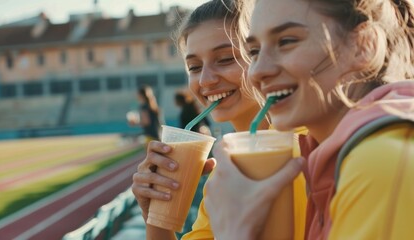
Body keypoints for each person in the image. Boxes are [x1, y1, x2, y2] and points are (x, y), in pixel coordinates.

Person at [204, 0, 414, 239]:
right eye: (254, 52)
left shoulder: (381, 162)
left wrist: (234, 231)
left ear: (362, 46)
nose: (257, 71)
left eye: (286, 41)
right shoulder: (331, 158)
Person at [131, 0, 307, 239]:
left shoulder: (303, 146)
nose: (205, 80)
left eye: (224, 59)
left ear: (261, 56)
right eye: (194, 67)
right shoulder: (225, 169)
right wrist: (156, 215)